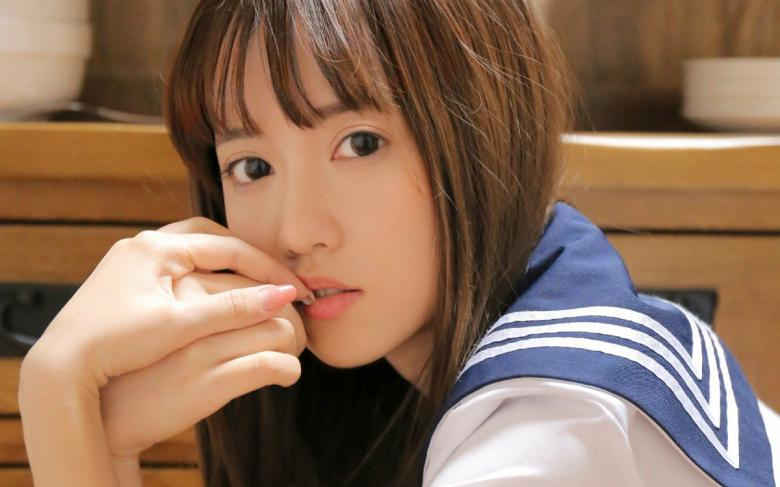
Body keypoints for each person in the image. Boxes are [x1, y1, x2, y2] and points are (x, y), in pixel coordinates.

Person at [17, 1, 778, 486]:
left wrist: (62, 406)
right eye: (252, 166)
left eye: (359, 143)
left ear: (483, 129)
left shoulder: (545, 443)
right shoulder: (554, 299)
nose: (297, 231)